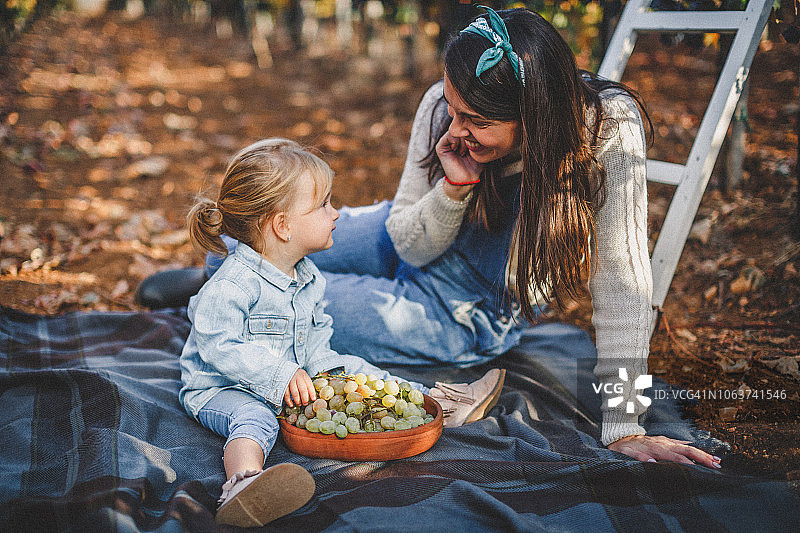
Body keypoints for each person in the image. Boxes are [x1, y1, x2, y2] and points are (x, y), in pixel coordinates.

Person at [140, 8, 721, 469]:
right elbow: (409, 240)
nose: (457, 126)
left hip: (463, 304)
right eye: (453, 107)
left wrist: (624, 426)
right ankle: (220, 282)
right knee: (251, 257)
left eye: (479, 123)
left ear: (535, 120)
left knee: (279, 313)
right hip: (412, 233)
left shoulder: (607, 130)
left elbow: (622, 278)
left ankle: (231, 288)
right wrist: (454, 189)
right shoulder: (443, 107)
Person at [179, 138, 506, 527]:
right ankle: (243, 483)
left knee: (355, 368)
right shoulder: (234, 285)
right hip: (220, 387)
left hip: (293, 377)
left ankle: (431, 401)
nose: (336, 214)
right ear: (282, 226)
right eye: (323, 205)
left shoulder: (308, 276)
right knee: (254, 416)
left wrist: (341, 377)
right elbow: (219, 344)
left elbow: (316, 345)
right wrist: (279, 375)